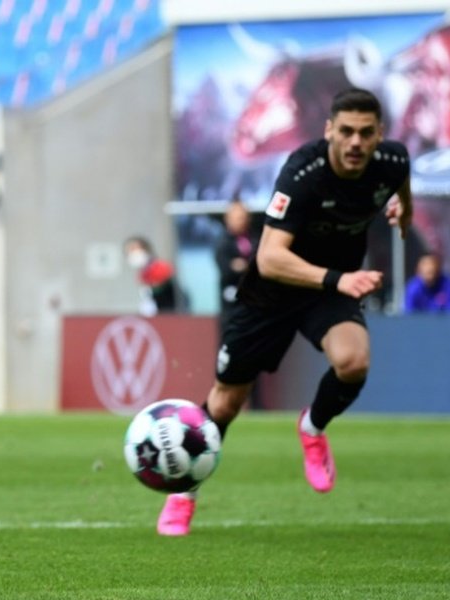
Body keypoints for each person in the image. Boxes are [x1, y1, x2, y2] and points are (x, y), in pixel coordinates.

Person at [156, 88, 413, 536]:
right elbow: (270, 258)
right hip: (274, 289)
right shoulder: (303, 172)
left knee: (353, 362)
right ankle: (184, 493)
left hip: (329, 288)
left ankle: (312, 428)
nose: (355, 142)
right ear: (329, 130)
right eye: (346, 131)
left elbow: (400, 183)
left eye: (366, 133)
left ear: (380, 135)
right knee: (227, 401)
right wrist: (339, 279)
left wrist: (403, 210)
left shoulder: (391, 162)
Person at [214, 198, 258, 329]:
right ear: (228, 219)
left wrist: (244, 266)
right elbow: (226, 267)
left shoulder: (255, 238)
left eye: (244, 217)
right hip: (231, 301)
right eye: (238, 217)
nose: (242, 220)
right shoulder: (222, 241)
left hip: (253, 299)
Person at [123, 236, 181, 315]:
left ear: (145, 249)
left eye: (133, 249)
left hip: (169, 312)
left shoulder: (160, 266)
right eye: (128, 251)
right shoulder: (142, 272)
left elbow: (165, 288)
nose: (131, 253)